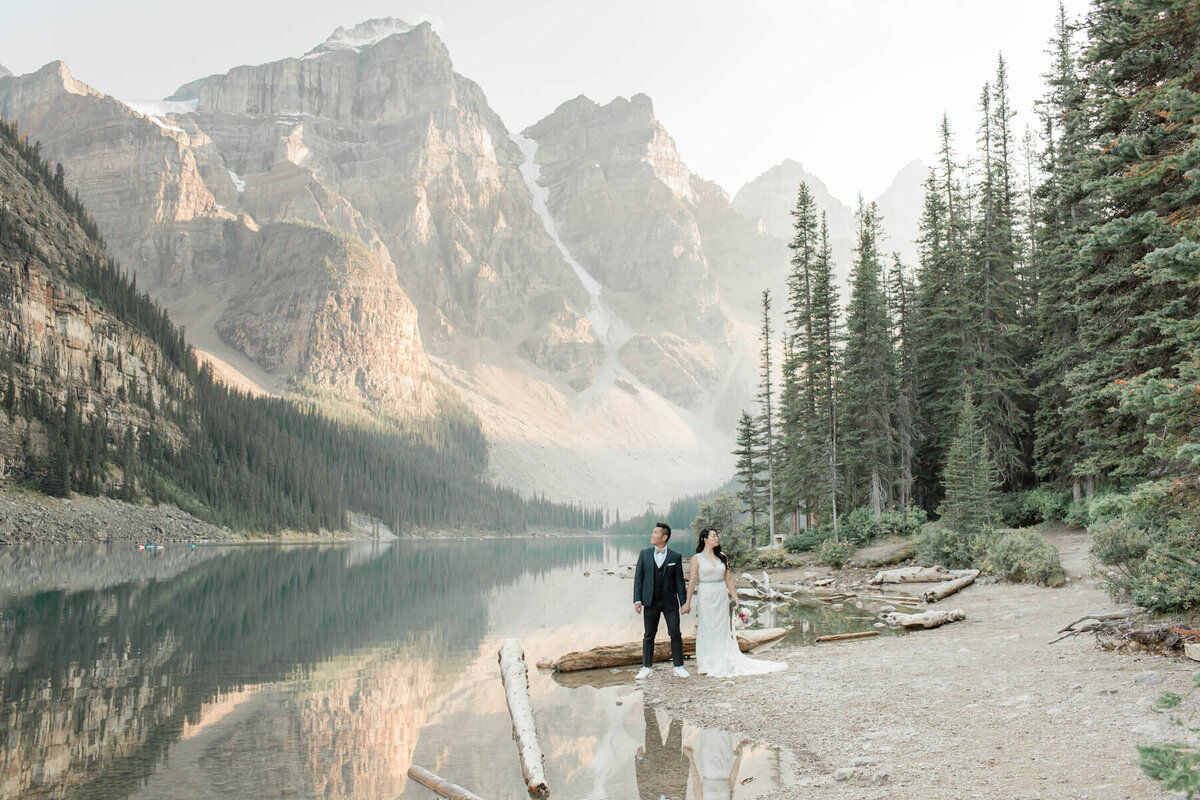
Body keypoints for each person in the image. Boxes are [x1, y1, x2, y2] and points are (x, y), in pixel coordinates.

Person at [683, 528, 786, 677]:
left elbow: (729, 579)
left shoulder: (722, 557)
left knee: (721, 627)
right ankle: (706, 661)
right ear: (704, 539)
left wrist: (736, 598)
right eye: (713, 536)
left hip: (720, 593)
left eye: (717, 535)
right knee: (707, 627)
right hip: (705, 594)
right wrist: (687, 603)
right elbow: (692, 581)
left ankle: (722, 659)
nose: (716, 538)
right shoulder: (696, 559)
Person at [634, 522, 689, 679]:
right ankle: (646, 667)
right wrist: (637, 600)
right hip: (650, 601)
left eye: (655, 532)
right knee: (649, 634)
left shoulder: (675, 556)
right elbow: (638, 579)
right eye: (653, 532)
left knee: (675, 632)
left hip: (670, 602)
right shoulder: (644, 554)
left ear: (664, 537)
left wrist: (684, 602)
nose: (652, 535)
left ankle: (678, 666)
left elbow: (679, 582)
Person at [634, 703, 689, 800]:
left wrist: (639, 760)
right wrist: (686, 759)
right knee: (676, 727)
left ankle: (648, 696)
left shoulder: (646, 797)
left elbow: (641, 783)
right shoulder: (678, 798)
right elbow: (683, 784)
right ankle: (679, 700)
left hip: (652, 761)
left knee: (651, 724)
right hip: (673, 764)